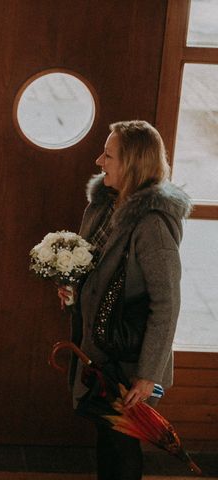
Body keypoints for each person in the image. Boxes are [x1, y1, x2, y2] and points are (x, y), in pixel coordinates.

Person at [58, 120, 192, 480]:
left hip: (132, 362)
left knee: (121, 444)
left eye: (109, 155)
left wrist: (148, 376)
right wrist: (73, 291)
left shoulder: (152, 226)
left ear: (132, 164)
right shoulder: (102, 208)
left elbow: (167, 304)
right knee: (108, 436)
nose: (99, 160)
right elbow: (93, 271)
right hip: (102, 350)